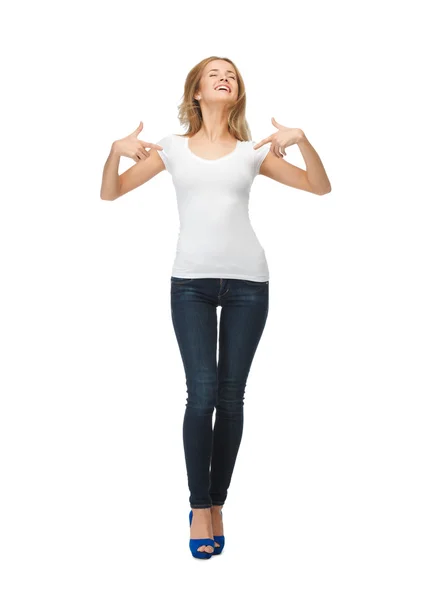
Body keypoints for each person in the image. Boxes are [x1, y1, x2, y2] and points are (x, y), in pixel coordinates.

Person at [100, 56, 331, 559]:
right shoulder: (172, 149)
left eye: (232, 73)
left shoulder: (252, 152)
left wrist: (303, 140)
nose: (225, 77)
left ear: (237, 93)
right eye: (214, 73)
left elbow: (319, 186)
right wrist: (114, 153)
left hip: (250, 282)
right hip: (191, 285)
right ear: (197, 92)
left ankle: (218, 503)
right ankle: (198, 506)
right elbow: (111, 193)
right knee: (200, 393)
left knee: (231, 398)